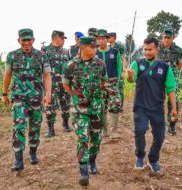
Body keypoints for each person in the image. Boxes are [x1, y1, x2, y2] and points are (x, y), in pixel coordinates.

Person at [2, 28, 52, 171]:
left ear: (33, 40)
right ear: (18, 40)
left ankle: (33, 152)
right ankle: (18, 159)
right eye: (23, 40)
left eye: (29, 39)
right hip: (18, 97)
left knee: (35, 125)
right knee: (19, 125)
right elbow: (7, 75)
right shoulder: (12, 56)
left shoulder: (41, 56)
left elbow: (47, 76)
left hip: (36, 97)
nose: (26, 42)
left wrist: (48, 94)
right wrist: (4, 94)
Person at [127, 37, 177, 173]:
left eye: (150, 49)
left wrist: (174, 108)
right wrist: (130, 76)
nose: (147, 52)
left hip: (157, 107)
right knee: (140, 131)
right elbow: (131, 79)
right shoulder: (136, 64)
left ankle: (153, 159)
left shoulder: (165, 68)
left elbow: (171, 88)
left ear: (157, 50)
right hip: (141, 106)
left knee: (160, 135)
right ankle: (140, 157)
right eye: (145, 49)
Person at [62, 36, 107, 186]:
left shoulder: (100, 64)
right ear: (83, 47)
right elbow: (66, 85)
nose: (95, 49)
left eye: (96, 47)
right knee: (82, 138)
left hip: (96, 107)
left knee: (95, 138)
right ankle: (83, 170)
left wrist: (94, 96)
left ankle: (92, 160)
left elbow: (103, 82)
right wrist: (77, 97)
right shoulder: (70, 65)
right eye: (92, 47)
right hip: (79, 109)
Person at [42, 30, 71, 137]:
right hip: (51, 84)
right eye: (62, 38)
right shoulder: (45, 50)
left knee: (66, 104)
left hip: (64, 83)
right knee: (50, 106)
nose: (64, 41)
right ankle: (51, 129)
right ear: (56, 38)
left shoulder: (65, 51)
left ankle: (66, 124)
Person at [157, 28, 182, 135]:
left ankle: (172, 125)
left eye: (169, 38)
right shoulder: (157, 48)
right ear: (162, 37)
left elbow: (180, 64)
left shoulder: (178, 50)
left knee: (173, 101)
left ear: (173, 38)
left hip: (172, 77)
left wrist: (172, 73)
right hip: (158, 77)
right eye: (165, 37)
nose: (167, 40)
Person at [96, 29, 122, 138]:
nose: (101, 41)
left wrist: (118, 80)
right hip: (99, 84)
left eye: (103, 38)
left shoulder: (114, 52)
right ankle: (104, 131)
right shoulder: (94, 52)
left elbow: (119, 67)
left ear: (107, 39)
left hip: (112, 83)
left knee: (115, 105)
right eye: (99, 39)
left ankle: (114, 131)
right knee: (101, 107)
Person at [108, 32, 127, 112]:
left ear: (114, 37)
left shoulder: (119, 47)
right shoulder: (108, 47)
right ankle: (111, 105)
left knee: (120, 88)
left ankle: (121, 106)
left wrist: (123, 71)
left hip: (118, 71)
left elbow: (123, 59)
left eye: (109, 37)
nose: (108, 38)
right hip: (110, 72)